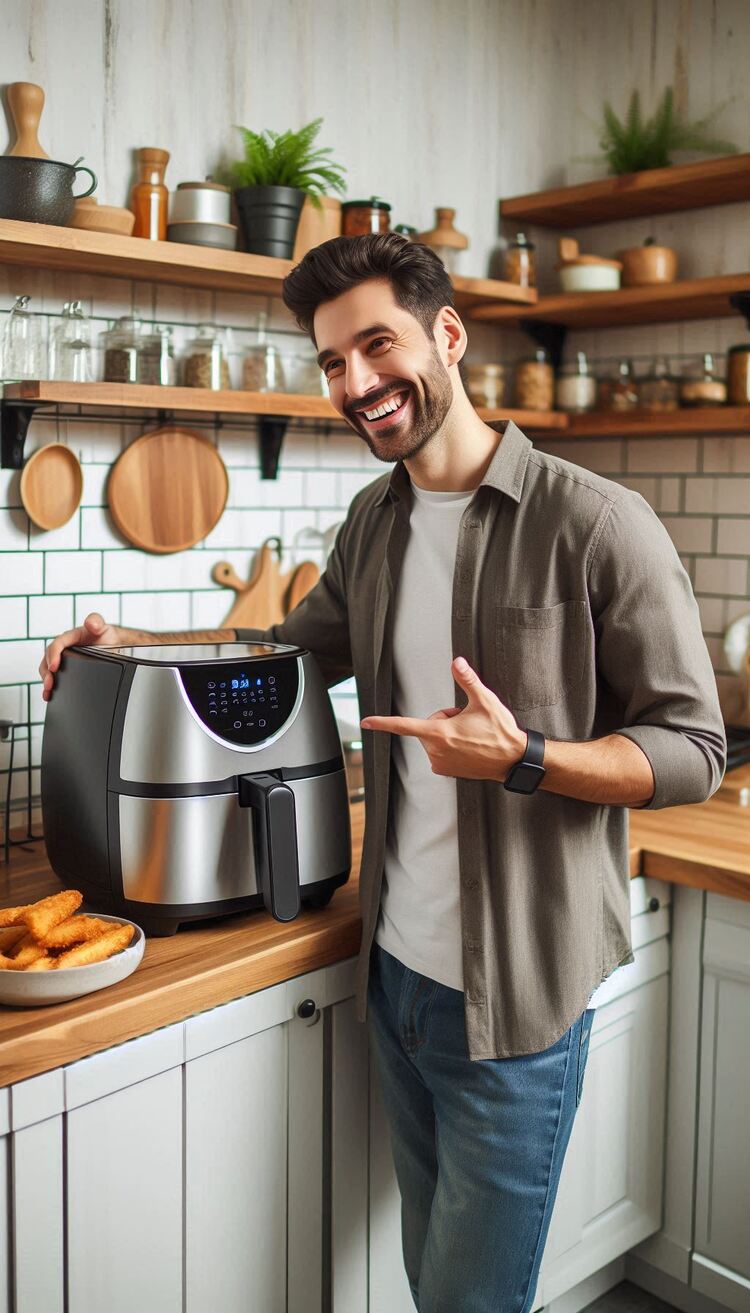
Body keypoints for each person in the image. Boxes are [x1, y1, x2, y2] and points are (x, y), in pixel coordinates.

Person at [40, 233, 726, 1313]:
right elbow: (285, 650)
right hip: (394, 973)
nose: (356, 383)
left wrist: (528, 757)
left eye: (377, 345)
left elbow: (694, 749)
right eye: (331, 361)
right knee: (427, 1278)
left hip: (517, 1000)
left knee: (469, 1301)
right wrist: (123, 638)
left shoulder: (593, 522)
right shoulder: (376, 522)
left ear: (447, 335)